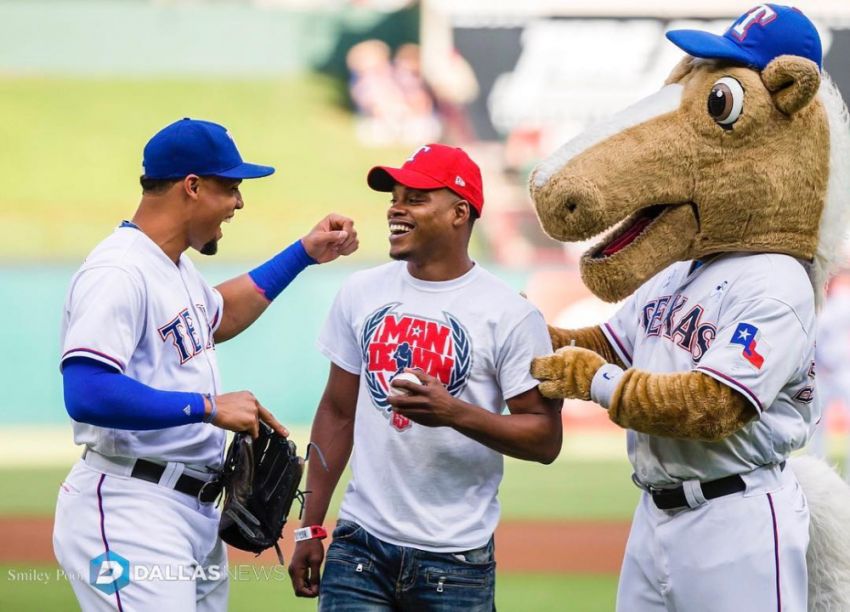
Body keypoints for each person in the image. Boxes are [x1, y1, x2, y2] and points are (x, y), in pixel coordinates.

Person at [52, 117, 358, 611]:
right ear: (192, 186)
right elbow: (86, 392)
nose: (239, 203)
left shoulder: (172, 265)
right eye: (230, 187)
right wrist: (207, 407)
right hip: (133, 505)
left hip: (190, 509)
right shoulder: (119, 270)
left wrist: (302, 253)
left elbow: (223, 312)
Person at [287, 143, 562, 610]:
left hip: (455, 562)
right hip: (359, 549)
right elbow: (336, 412)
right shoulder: (360, 291)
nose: (395, 208)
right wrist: (311, 525)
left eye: (414, 198)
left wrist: (453, 412)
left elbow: (544, 438)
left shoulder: (511, 314)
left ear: (459, 213)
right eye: (394, 196)